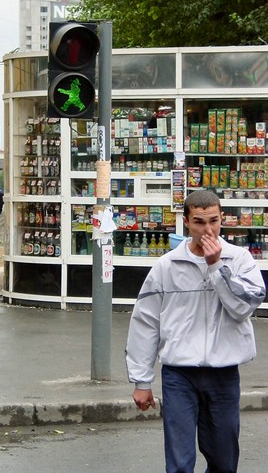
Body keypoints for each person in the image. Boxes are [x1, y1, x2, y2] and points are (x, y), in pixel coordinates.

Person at [125, 189, 265, 473]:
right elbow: (145, 321)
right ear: (186, 222)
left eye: (214, 221)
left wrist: (216, 268)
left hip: (223, 373)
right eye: (200, 222)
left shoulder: (238, 260)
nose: (208, 229)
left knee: (224, 461)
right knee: (179, 461)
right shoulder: (167, 265)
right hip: (179, 374)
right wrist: (141, 380)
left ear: (222, 218)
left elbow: (243, 309)